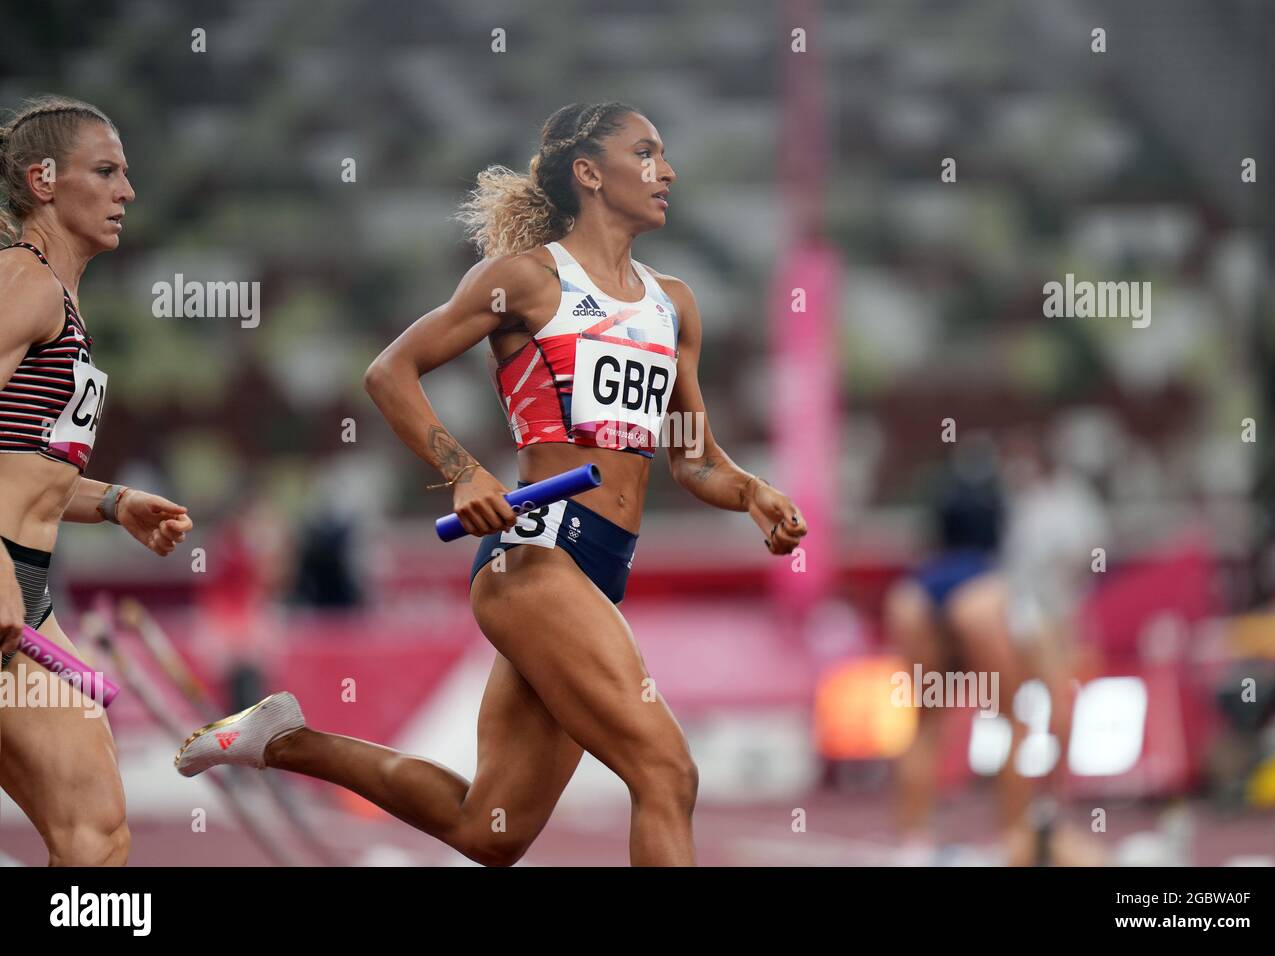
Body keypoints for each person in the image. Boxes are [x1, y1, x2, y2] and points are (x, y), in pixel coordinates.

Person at [175, 101, 807, 866]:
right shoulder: (526, 281)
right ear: (589, 174)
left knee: (489, 830)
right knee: (666, 772)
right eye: (645, 153)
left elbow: (693, 458)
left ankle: (282, 740)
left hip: (600, 571)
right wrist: (463, 470)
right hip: (537, 559)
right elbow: (390, 373)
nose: (666, 171)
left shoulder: (673, 304)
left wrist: (752, 492)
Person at [0, 95, 193, 866]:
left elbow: (22, 468)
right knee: (92, 832)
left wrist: (113, 501)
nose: (127, 191)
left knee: (93, 830)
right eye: (106, 171)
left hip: (26, 592)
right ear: (44, 181)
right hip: (3, 579)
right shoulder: (26, 282)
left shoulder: (57, 297)